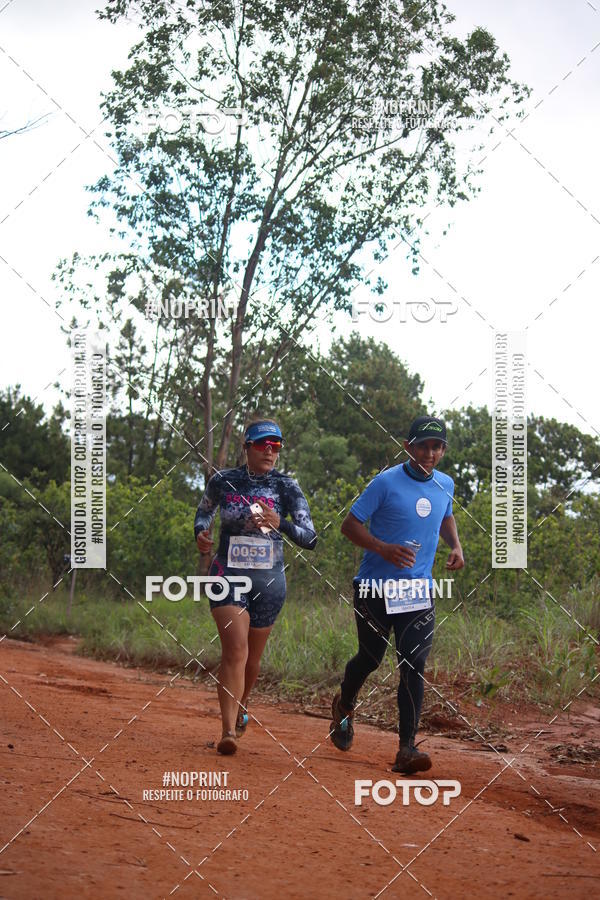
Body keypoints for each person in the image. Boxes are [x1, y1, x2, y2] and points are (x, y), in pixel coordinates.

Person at [331, 415, 464, 773]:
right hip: (373, 588)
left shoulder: (445, 484)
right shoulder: (385, 482)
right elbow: (349, 525)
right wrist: (382, 548)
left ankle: (406, 748)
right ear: (408, 447)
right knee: (370, 659)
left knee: (413, 663)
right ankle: (343, 705)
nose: (430, 453)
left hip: (416, 590)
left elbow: (446, 516)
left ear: (443, 450)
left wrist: (456, 546)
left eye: (437, 447)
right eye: (423, 446)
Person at [194, 418, 317, 755]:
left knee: (252, 659)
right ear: (246, 447)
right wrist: (201, 535)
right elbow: (203, 514)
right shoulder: (223, 481)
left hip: (270, 581)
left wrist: (282, 523)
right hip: (227, 574)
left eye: (275, 446)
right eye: (263, 444)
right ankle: (228, 730)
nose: (269, 451)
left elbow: (311, 538)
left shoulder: (287, 487)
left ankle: (243, 703)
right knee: (235, 649)